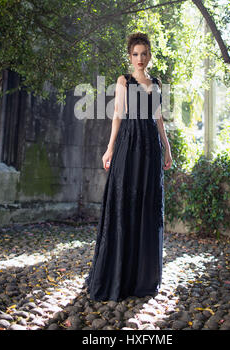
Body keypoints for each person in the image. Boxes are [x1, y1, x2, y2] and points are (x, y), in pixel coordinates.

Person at [85, 32, 172, 302]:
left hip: (150, 150)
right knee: (125, 203)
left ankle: (142, 279)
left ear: (150, 55)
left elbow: (159, 119)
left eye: (144, 54)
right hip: (128, 145)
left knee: (147, 208)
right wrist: (110, 148)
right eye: (135, 54)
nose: (140, 59)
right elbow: (118, 116)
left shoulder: (156, 83)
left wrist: (167, 149)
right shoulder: (124, 81)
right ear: (129, 56)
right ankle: (118, 275)